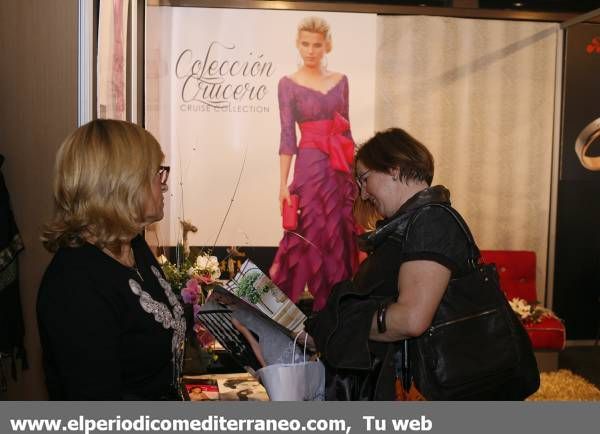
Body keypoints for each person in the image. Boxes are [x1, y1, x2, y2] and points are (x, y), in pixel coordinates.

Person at [306, 127, 473, 400]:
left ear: (394, 169)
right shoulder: (412, 225)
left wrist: (337, 329)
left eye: (364, 179)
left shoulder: (430, 221)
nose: (362, 194)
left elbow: (411, 319)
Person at [37, 119, 185, 400]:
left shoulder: (134, 246)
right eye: (157, 173)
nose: (163, 185)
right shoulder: (74, 285)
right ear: (124, 184)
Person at [269, 16, 359, 311]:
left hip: (338, 170)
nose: (310, 50)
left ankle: (335, 314)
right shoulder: (288, 84)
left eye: (316, 45)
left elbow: (346, 131)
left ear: (327, 46)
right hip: (308, 167)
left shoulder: (341, 81)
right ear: (298, 44)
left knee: (338, 235)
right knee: (306, 233)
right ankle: (280, 315)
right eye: (305, 44)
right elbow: (286, 137)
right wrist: (283, 184)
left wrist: (357, 177)